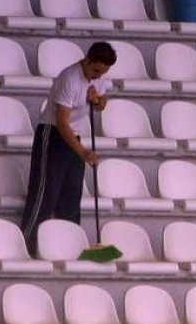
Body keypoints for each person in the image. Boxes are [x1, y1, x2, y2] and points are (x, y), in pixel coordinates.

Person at [19, 41, 116, 252]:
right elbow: (62, 122)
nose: (98, 75)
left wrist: (99, 101)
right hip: (53, 135)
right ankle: (27, 244)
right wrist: (82, 151)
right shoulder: (69, 79)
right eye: (96, 70)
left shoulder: (98, 78)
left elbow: (102, 102)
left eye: (103, 72)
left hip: (76, 137)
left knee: (71, 195)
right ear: (87, 60)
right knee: (46, 193)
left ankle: (69, 246)